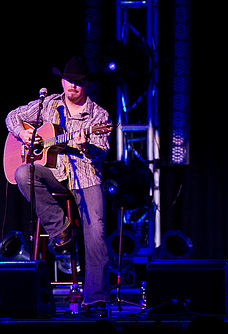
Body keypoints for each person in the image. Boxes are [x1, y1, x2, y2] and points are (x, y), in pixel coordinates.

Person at [5, 56, 112, 310]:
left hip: (84, 176)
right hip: (52, 174)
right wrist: (22, 133)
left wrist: (86, 145)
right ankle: (59, 228)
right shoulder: (48, 104)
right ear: (62, 81)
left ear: (87, 85)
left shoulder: (98, 115)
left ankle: (95, 297)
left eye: (78, 82)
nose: (72, 86)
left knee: (96, 230)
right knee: (22, 173)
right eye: (68, 81)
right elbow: (11, 117)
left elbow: (103, 151)